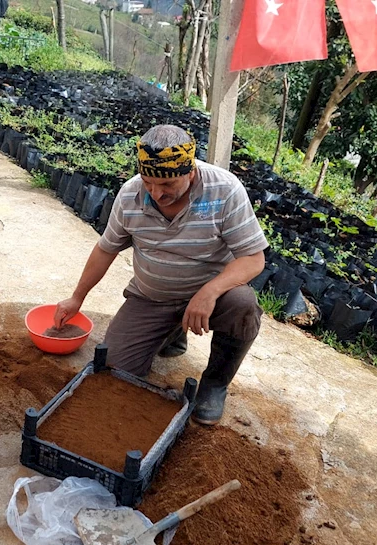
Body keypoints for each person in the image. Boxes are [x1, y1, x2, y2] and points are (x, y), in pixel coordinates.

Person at [54, 124, 268, 425]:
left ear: (190, 172)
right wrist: (77, 298)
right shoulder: (130, 196)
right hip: (151, 297)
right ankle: (171, 332)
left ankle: (215, 384)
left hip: (207, 297)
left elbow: (253, 259)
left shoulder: (224, 190)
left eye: (167, 185)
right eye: (148, 182)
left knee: (243, 304)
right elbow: (106, 249)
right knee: (114, 371)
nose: (156, 193)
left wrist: (208, 292)